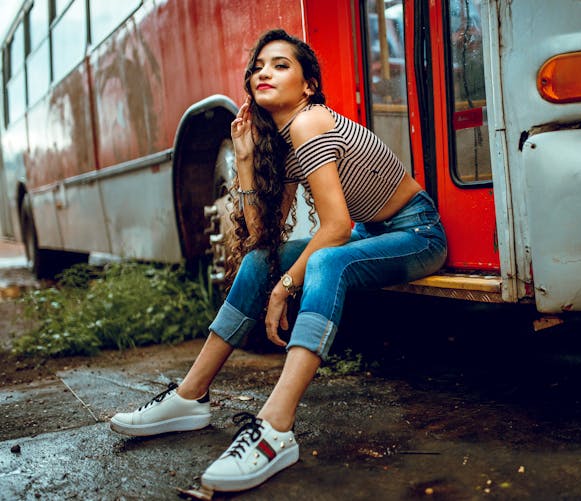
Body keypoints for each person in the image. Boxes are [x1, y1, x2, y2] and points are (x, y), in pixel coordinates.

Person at [109, 28, 447, 492]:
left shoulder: (311, 122)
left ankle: (276, 427)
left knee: (328, 262)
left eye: (281, 65)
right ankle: (190, 395)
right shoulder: (284, 140)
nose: (264, 72)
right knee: (265, 260)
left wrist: (285, 287)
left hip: (417, 233)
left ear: (308, 85)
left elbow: (336, 228)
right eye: (258, 66)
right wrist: (244, 161)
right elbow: (262, 240)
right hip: (374, 233)